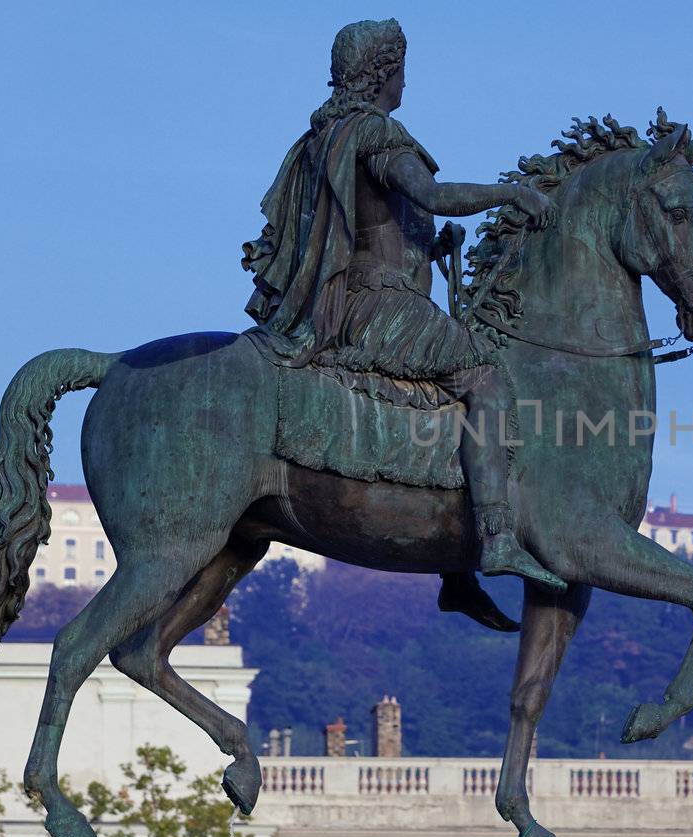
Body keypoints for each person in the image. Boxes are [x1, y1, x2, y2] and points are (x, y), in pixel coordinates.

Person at [241, 19, 563, 628]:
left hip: (342, 299)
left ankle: (454, 571)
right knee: (486, 377)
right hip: (376, 304)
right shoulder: (373, 132)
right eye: (401, 66)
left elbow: (371, 225)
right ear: (384, 71)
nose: (405, 78)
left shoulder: (322, 136)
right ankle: (494, 536)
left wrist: (426, 244)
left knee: (443, 400)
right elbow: (432, 192)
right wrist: (509, 194)